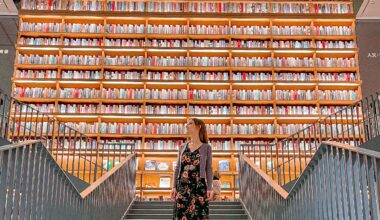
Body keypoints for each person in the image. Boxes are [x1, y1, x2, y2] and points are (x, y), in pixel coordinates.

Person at [171, 118, 213, 220]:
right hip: (182, 186)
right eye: (186, 124)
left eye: (190, 123)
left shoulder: (206, 147)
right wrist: (173, 186)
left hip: (199, 186)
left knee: (199, 216)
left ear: (199, 127)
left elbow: (209, 169)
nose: (186, 125)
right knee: (180, 215)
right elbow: (177, 168)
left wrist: (210, 188)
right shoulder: (182, 147)